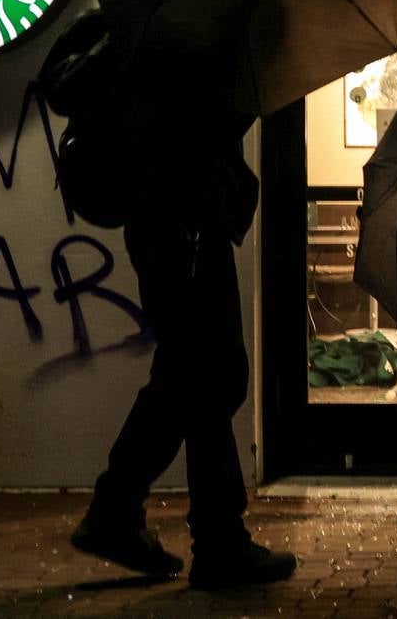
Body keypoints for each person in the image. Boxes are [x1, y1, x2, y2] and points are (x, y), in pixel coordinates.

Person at [70, 84, 297, 588]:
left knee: (188, 374)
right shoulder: (188, 44)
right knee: (209, 377)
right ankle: (217, 544)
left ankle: (118, 512)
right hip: (186, 224)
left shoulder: (161, 35)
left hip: (173, 222)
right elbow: (203, 127)